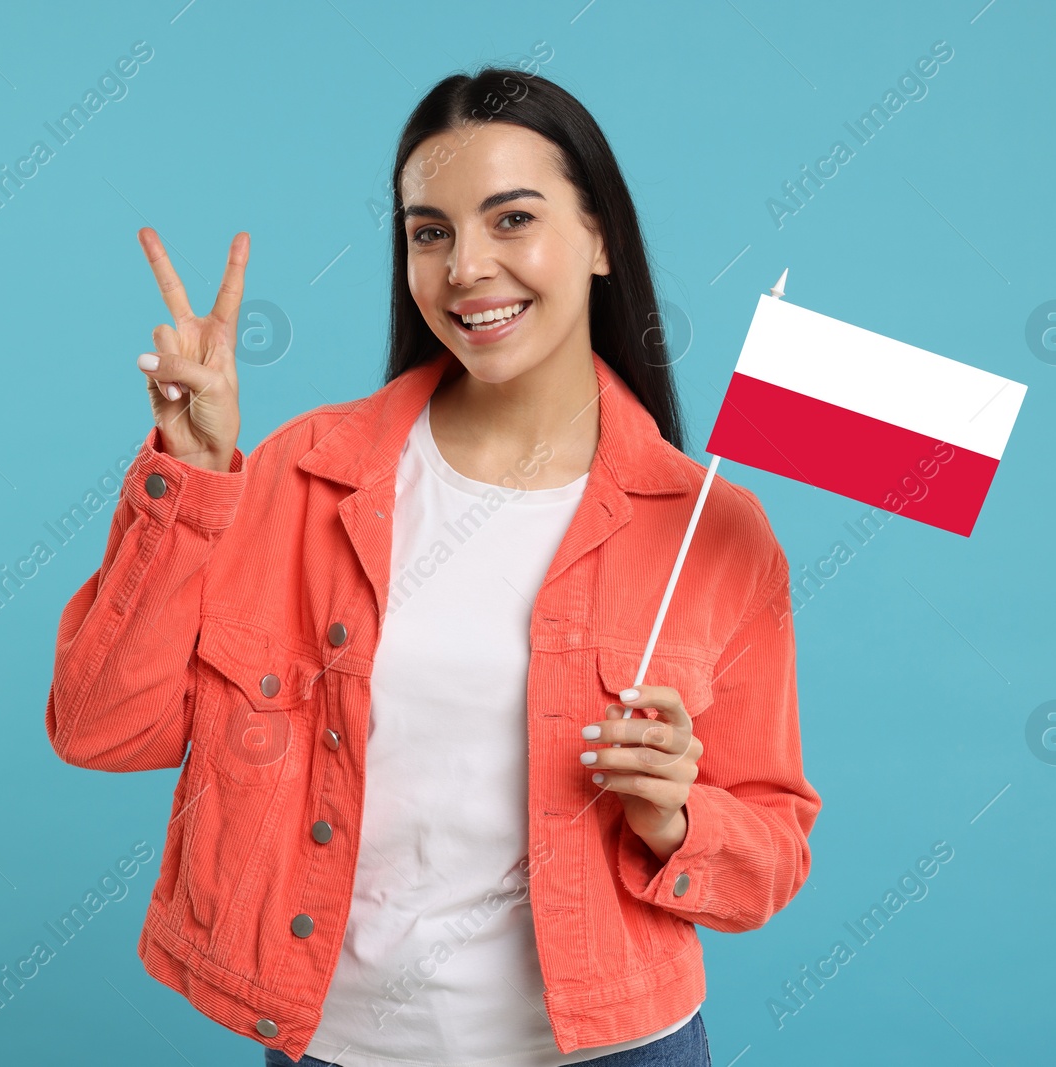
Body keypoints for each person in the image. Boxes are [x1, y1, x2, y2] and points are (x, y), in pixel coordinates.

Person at [46, 65, 820, 1067]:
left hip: (615, 1048)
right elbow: (100, 724)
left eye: (512, 220)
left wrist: (674, 815)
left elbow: (772, 855)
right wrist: (190, 483)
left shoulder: (712, 529)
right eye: (431, 232)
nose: (466, 267)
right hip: (338, 1046)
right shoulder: (298, 476)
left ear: (597, 239)